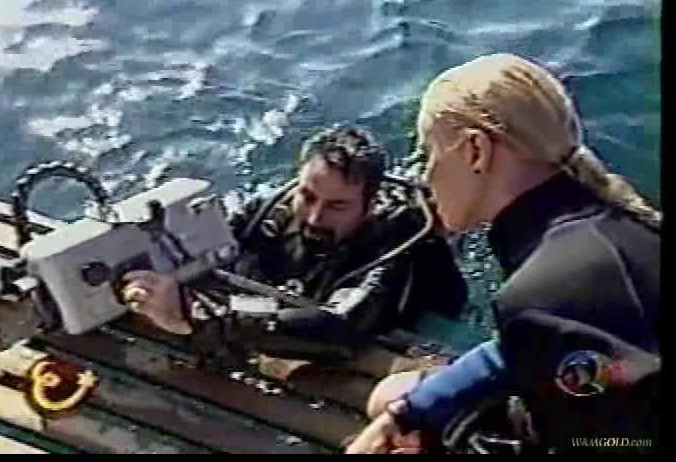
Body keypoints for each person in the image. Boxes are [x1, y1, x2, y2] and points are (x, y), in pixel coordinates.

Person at [345, 53, 660, 453]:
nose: (424, 176)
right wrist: (409, 412)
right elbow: (540, 350)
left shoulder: (542, 295)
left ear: (476, 150)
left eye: (429, 154)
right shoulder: (614, 227)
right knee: (392, 399)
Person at [121, 126, 468, 378]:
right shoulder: (267, 214)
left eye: (337, 206)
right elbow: (206, 253)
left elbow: (341, 326)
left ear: (368, 205)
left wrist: (196, 319)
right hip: (281, 306)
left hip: (406, 320)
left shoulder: (394, 244)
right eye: (308, 196)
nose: (315, 217)